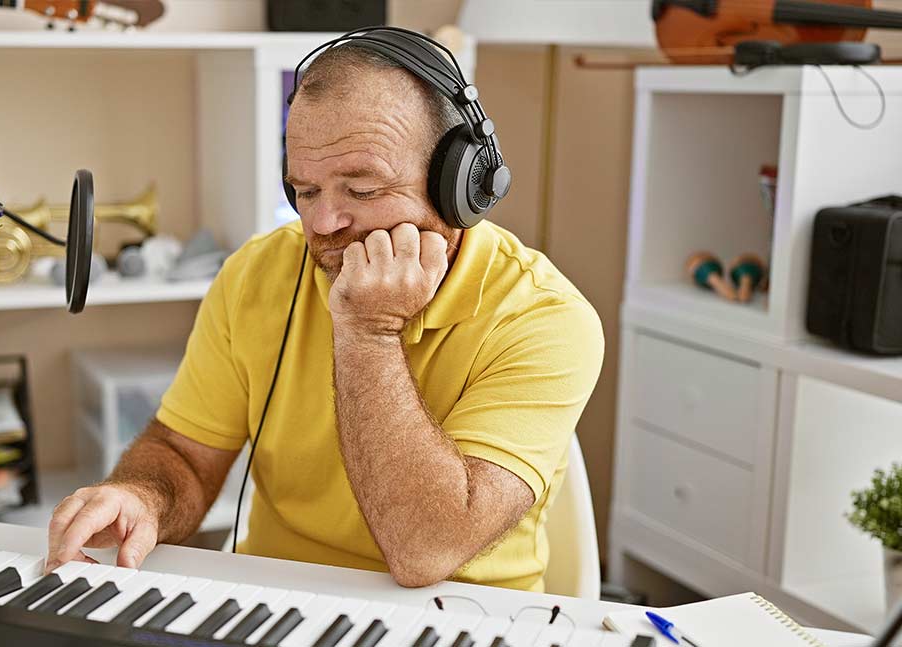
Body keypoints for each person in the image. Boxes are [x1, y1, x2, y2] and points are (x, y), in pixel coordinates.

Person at [46, 30, 604, 591]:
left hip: (458, 617)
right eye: (306, 190)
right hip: (276, 601)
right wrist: (142, 497)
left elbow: (425, 551)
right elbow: (183, 456)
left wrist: (369, 331)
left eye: (361, 192)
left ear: (460, 184)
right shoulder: (256, 274)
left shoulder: (546, 318)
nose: (322, 225)